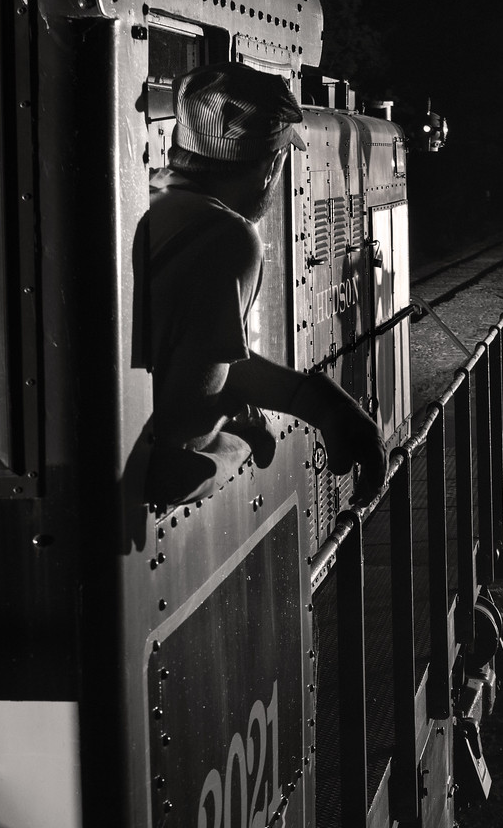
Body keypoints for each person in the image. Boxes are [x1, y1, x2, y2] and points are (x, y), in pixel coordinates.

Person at [144, 62, 387, 509]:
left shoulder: (152, 202)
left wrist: (315, 401)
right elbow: (175, 466)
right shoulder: (226, 237)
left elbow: (196, 354)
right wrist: (241, 442)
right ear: (272, 164)